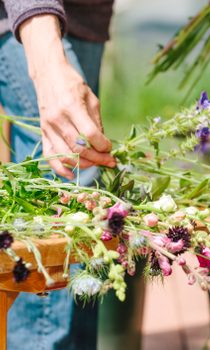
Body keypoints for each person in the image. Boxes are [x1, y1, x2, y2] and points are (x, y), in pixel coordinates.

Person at [0, 1, 116, 348]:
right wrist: (46, 58)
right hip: (22, 14)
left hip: (86, 15)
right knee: (68, 183)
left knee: (87, 203)